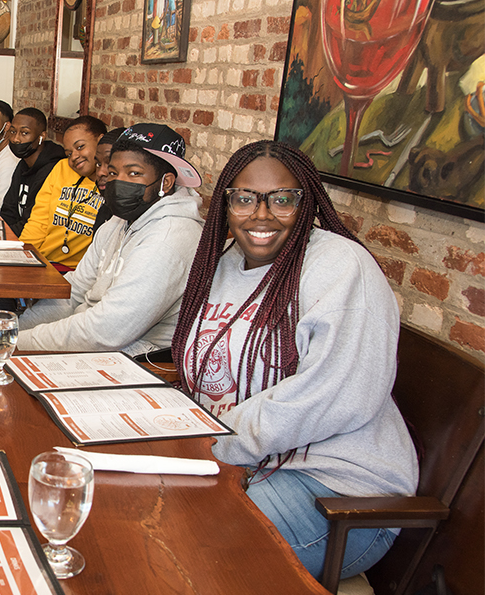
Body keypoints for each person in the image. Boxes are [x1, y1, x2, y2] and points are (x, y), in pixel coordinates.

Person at [171, 140, 418, 580]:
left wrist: (212, 445)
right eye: (245, 198)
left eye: (282, 199)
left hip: (337, 491)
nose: (261, 215)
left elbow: (331, 397)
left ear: (306, 202)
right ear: (226, 201)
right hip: (241, 462)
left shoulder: (342, 269)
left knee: (189, 555)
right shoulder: (225, 261)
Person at [19, 123, 204, 354]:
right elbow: (73, 292)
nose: (118, 181)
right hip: (87, 341)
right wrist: (14, 332)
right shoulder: (118, 221)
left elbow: (106, 331)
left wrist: (18, 343)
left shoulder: (169, 239)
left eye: (134, 173)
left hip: (133, 359)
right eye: (114, 172)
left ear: (165, 183)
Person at [18, 115, 107, 270]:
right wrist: (21, 256)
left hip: (80, 272)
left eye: (80, 147)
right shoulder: (61, 168)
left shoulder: (111, 183)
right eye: (69, 153)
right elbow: (39, 221)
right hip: (43, 261)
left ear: (101, 141)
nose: (74, 157)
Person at [0, 107, 66, 236]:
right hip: (15, 235)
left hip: (33, 239)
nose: (16, 139)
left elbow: (34, 223)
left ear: (41, 136)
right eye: (13, 132)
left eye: (24, 133)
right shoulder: (23, 164)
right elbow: (8, 211)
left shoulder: (52, 170)